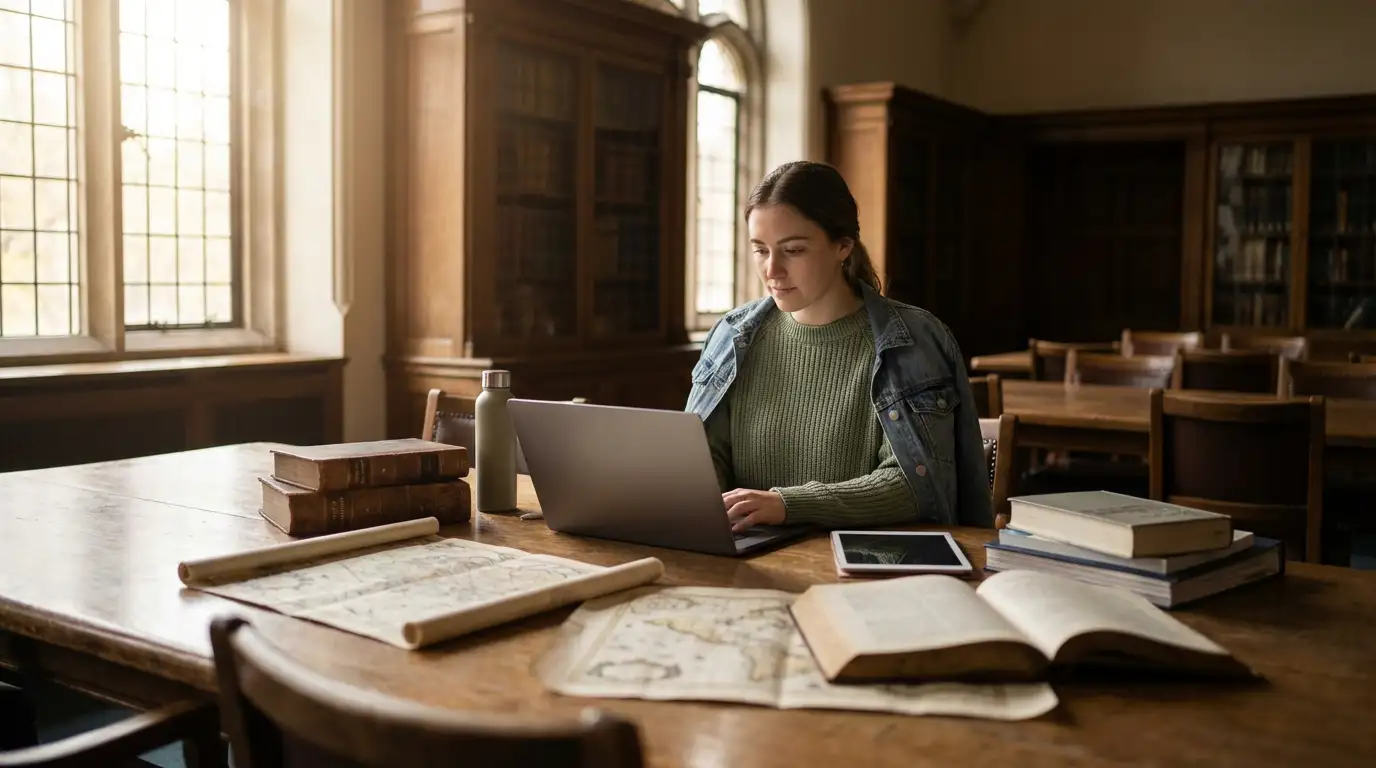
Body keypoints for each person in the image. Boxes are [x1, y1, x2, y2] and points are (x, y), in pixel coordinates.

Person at [685, 161, 993, 533]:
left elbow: (916, 486)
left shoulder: (916, 340)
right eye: (760, 250)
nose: (772, 270)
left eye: (793, 250)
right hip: (750, 558)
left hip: (872, 567)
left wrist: (788, 505)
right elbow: (702, 463)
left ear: (843, 246)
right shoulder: (731, 337)